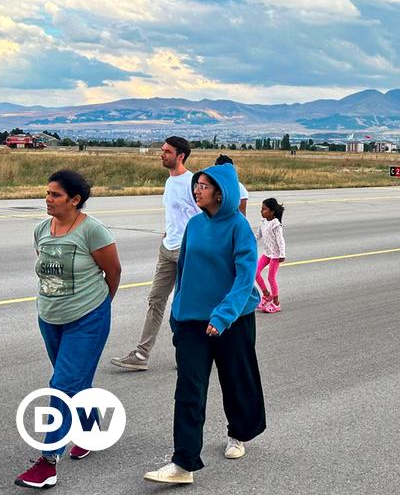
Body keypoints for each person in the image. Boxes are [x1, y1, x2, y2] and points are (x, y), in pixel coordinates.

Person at [144, 163, 265, 485]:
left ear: (221, 192)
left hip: (232, 321)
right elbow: (183, 273)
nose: (197, 190)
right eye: (196, 184)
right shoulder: (195, 225)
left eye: (204, 186)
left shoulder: (239, 227)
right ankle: (183, 464)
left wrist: (223, 316)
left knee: (236, 381)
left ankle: (238, 434)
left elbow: (244, 278)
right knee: (188, 390)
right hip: (192, 321)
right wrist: (176, 314)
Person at [16, 170, 121, 489]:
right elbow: (47, 271)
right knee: (76, 381)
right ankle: (89, 433)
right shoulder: (41, 229)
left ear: (74, 200)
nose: (47, 199)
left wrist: (99, 308)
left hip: (87, 318)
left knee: (61, 385)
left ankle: (48, 462)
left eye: (55, 195)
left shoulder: (93, 231)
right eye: (47, 193)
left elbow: (113, 272)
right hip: (49, 317)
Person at [111, 136, 200, 371]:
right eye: (162, 150)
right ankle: (141, 355)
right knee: (156, 299)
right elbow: (176, 216)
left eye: (167, 151)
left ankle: (190, 353)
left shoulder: (192, 183)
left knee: (184, 304)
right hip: (167, 249)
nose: (162, 154)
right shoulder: (170, 182)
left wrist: (196, 245)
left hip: (187, 251)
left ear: (180, 156)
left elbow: (204, 217)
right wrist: (166, 236)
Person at [255, 198, 286, 313]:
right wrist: (247, 242)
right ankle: (267, 295)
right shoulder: (263, 222)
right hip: (267, 253)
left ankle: (276, 303)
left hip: (275, 255)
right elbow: (257, 236)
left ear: (272, 212)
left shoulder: (276, 224)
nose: (261, 211)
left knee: (270, 277)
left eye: (264, 209)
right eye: (261, 209)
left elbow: (280, 240)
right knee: (255, 272)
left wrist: (282, 254)